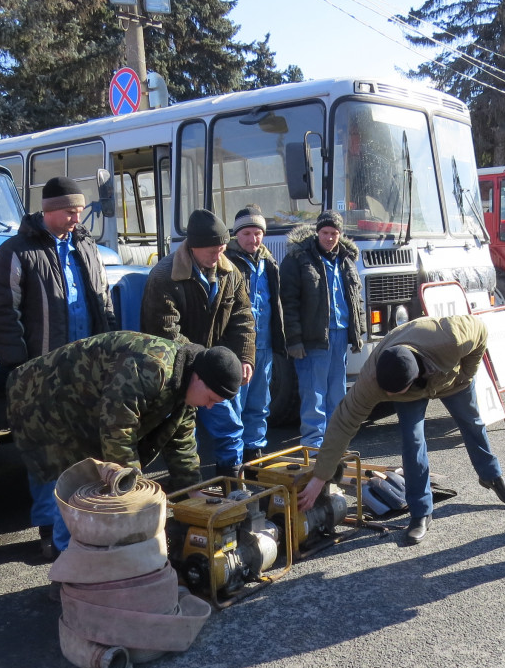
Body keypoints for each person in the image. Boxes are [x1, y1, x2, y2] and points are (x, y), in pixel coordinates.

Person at [296, 315, 505, 544]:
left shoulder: (451, 338)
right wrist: (320, 476)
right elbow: (343, 422)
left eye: (395, 393)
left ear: (410, 380)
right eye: (387, 394)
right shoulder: (373, 380)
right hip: (412, 392)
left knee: (472, 423)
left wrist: (466, 375)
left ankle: (492, 477)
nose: (390, 398)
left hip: (450, 376)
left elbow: (481, 331)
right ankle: (421, 512)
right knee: (413, 442)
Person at [0, 176, 116, 560]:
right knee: (47, 452)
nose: (77, 217)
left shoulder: (86, 246)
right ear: (49, 211)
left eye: (79, 210)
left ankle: (84, 522)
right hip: (41, 374)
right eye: (70, 211)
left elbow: (103, 301)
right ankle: (48, 528)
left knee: (87, 446)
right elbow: (4, 313)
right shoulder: (17, 251)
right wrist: (19, 368)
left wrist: (108, 353)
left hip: (86, 370)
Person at [6, 332, 243, 499]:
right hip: (43, 397)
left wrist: (190, 489)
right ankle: (63, 552)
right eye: (211, 398)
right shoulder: (152, 368)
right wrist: (133, 490)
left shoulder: (185, 384)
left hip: (83, 406)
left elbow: (181, 441)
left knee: (87, 488)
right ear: (198, 378)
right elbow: (118, 431)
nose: (210, 407)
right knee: (65, 484)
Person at [140, 209, 255, 480]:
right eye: (212, 251)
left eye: (223, 249)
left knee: (230, 428)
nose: (219, 257)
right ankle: (189, 497)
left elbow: (243, 319)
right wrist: (210, 363)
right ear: (193, 247)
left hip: (212, 371)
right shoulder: (163, 277)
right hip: (179, 373)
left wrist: (244, 357)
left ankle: (232, 485)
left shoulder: (231, 273)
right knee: (184, 437)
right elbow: (165, 333)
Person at [279, 210, 367, 447]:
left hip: (339, 335)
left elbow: (355, 297)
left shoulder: (347, 259)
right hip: (312, 338)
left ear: (340, 234)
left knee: (337, 394)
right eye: (325, 232)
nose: (329, 237)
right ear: (317, 232)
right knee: (313, 394)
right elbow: (289, 303)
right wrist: (294, 340)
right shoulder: (297, 259)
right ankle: (314, 445)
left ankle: (334, 443)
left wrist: (357, 334)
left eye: (334, 233)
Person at [224, 206, 286, 463]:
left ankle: (254, 450)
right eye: (247, 233)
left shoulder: (269, 262)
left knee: (260, 403)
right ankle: (231, 459)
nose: (253, 239)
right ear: (237, 235)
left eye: (258, 233)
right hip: (238, 348)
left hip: (265, 346)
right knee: (234, 405)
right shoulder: (227, 263)